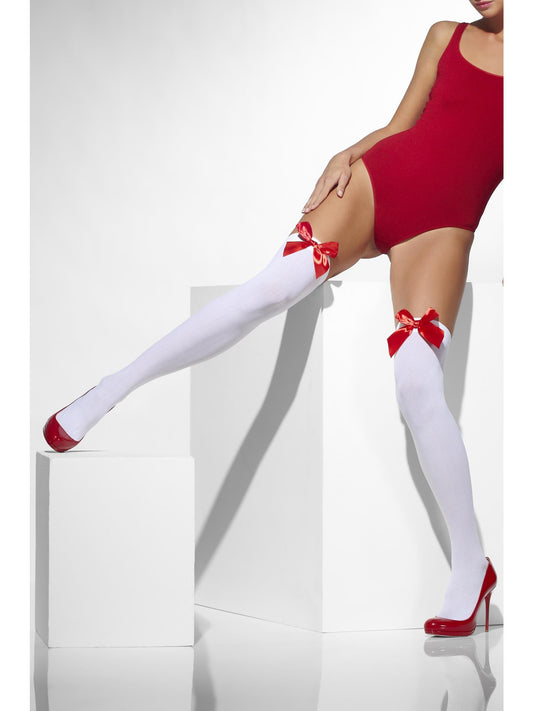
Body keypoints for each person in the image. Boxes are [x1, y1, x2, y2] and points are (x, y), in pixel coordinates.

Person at [43, 0, 503, 637]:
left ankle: (473, 566)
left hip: (443, 227)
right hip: (377, 183)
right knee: (268, 290)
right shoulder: (444, 36)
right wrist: (346, 154)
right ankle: (108, 391)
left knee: (418, 382)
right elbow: (402, 126)